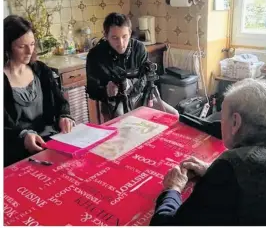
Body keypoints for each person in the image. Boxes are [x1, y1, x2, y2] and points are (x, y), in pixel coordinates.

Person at [150, 78, 266, 226]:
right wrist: (212, 170)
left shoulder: (235, 164)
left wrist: (173, 188)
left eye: (222, 118)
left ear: (235, 122)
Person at [4, 15, 75, 167]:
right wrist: (22, 136)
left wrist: (64, 116)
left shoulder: (41, 70)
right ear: (6, 47)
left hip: (51, 142)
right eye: (21, 46)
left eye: (32, 44)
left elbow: (60, 102)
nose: (30, 51)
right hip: (17, 153)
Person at [86, 12, 178, 119]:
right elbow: (92, 90)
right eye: (115, 38)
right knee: (124, 126)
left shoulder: (139, 48)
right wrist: (106, 90)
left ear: (130, 33)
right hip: (114, 103)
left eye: (124, 37)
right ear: (106, 36)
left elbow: (146, 76)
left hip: (140, 96)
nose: (121, 43)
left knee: (174, 115)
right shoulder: (96, 55)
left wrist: (133, 84)